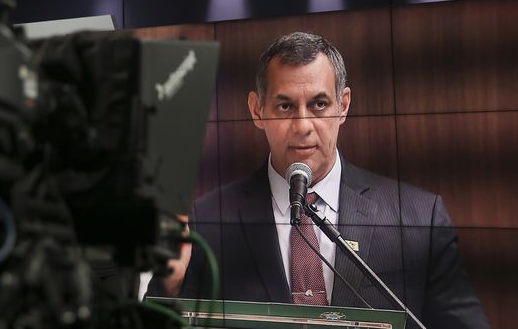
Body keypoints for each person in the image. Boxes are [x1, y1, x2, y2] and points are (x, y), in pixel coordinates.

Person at [146, 32, 489, 329]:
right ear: (256, 110)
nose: (303, 125)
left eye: (319, 104)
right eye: (284, 107)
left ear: (343, 105)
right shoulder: (206, 221)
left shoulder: (418, 216)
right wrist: (172, 286)